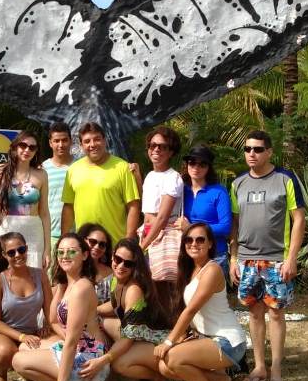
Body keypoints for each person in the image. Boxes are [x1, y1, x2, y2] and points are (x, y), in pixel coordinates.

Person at [229, 130, 305, 381]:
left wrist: (291, 258)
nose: (252, 153)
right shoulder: (237, 183)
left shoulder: (285, 179)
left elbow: (299, 219)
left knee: (275, 313)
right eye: (248, 149)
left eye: (258, 149)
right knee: (254, 312)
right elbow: (235, 224)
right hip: (247, 260)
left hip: (276, 261)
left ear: (270, 152)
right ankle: (259, 366)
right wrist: (234, 258)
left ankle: (276, 369)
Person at [154, 223, 247, 381]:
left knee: (172, 357)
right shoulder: (191, 270)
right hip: (208, 339)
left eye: (200, 239)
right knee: (164, 366)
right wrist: (182, 338)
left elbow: (190, 311)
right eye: (188, 240)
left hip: (228, 341)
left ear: (210, 244)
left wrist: (169, 341)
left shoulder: (212, 270)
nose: (193, 244)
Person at [11, 233, 110, 381]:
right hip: (80, 348)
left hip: (89, 361)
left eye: (72, 252)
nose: (65, 256)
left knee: (19, 361)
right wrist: (61, 286)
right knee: (24, 348)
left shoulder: (82, 288)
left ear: (85, 255)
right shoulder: (69, 284)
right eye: (61, 252)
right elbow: (53, 320)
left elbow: (71, 343)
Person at [86, 238, 177, 381]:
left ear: (136, 267)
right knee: (102, 322)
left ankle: (163, 378)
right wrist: (90, 310)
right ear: (112, 257)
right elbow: (114, 305)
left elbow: (128, 338)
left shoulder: (134, 290)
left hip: (158, 341)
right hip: (140, 336)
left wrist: (102, 360)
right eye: (118, 259)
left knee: (119, 363)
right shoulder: (117, 280)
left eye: (128, 263)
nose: (121, 266)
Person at [0, 232, 53, 381]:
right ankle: (1, 379)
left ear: (27, 249)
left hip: (31, 333)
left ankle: (29, 379)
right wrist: (21, 337)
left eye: (21, 249)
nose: (18, 255)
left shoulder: (40, 275)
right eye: (11, 252)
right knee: (4, 352)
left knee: (57, 346)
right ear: (5, 255)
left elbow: (49, 310)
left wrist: (47, 326)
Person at [61, 122, 140, 244]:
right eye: (87, 141)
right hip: (84, 246)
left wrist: (129, 238)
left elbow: (133, 205)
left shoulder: (123, 168)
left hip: (115, 245)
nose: (92, 144)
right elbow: (68, 208)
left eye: (97, 139)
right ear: (81, 145)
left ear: (105, 140)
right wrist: (64, 238)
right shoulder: (73, 170)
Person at [0, 131, 51, 270]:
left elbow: (44, 212)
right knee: (4, 276)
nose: (27, 150)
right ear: (15, 147)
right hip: (5, 229)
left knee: (32, 278)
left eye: (32, 147)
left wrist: (47, 250)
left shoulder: (41, 174)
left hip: (33, 231)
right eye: (23, 145)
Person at [138, 126, 184, 308]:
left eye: (162, 146)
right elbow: (149, 206)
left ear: (171, 151)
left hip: (163, 235)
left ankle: (176, 328)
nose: (156, 149)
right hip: (149, 234)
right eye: (152, 145)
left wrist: (142, 246)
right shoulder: (150, 175)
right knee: (152, 286)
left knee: (168, 286)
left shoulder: (173, 178)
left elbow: (163, 217)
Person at [178, 145, 232, 277]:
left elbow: (225, 227)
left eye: (202, 164)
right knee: (188, 296)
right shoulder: (181, 190)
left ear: (209, 168)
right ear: (187, 165)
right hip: (190, 253)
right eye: (192, 162)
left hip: (215, 255)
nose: (196, 167)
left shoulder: (219, 191)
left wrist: (191, 228)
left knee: (213, 297)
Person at [42, 122, 74, 252]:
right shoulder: (42, 169)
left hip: (75, 235)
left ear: (71, 141)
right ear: (50, 143)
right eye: (56, 141)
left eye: (64, 140)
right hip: (49, 235)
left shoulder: (80, 166)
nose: (61, 145)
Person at [78, 223, 113, 304]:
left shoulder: (110, 273)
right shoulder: (73, 268)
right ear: (83, 240)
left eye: (102, 244)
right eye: (93, 242)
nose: (97, 247)